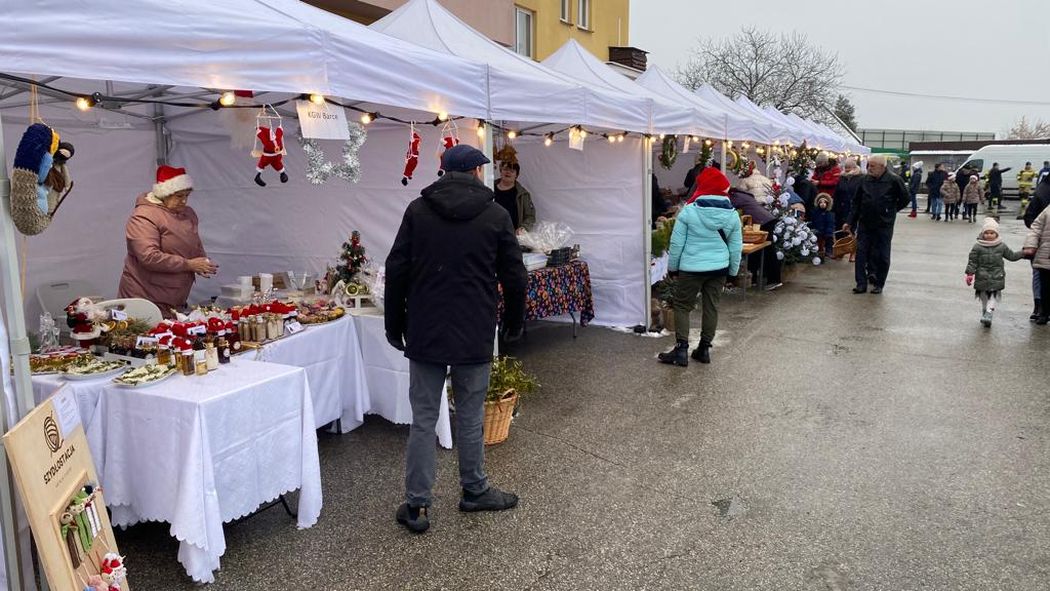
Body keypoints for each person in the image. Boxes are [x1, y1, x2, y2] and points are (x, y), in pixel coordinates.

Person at [385, 144, 528, 533]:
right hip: (473, 329)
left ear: (443, 172)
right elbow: (515, 275)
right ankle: (474, 490)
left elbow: (396, 269)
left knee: (423, 418)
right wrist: (515, 321)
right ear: (479, 173)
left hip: (426, 329)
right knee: (468, 414)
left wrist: (393, 323)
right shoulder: (496, 215)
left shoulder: (418, 211)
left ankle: (417, 506)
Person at [659, 167, 742, 366]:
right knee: (711, 307)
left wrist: (673, 268)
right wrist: (733, 272)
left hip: (691, 268)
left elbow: (676, 244)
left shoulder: (689, 211)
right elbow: (735, 247)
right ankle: (704, 349)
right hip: (718, 269)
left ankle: (681, 350)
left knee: (682, 306)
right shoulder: (732, 215)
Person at [118, 165, 217, 317]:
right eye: (178, 196)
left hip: (174, 296)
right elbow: (149, 256)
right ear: (164, 193)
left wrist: (202, 261)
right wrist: (189, 264)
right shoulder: (143, 217)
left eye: (187, 195)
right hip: (145, 296)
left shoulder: (188, 213)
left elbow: (194, 241)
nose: (184, 201)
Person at [843, 155, 910, 294]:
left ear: (882, 166)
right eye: (868, 165)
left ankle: (879, 283)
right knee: (861, 253)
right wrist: (850, 221)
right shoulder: (864, 180)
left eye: (872, 166)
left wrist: (891, 211)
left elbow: (905, 198)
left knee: (883, 255)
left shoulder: (894, 180)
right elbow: (856, 203)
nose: (869, 168)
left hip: (884, 224)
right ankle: (861, 283)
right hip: (865, 223)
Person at [965, 218, 1024, 327]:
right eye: (986, 233)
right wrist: (970, 274)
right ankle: (985, 312)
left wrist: (1024, 253)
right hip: (982, 276)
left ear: (996, 234)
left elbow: (1012, 256)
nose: (989, 235)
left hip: (996, 276)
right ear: (982, 234)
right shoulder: (977, 246)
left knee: (993, 295)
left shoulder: (1001, 246)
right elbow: (972, 261)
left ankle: (989, 313)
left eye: (992, 233)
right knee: (983, 297)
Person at [728, 181, 781, 289]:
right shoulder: (742, 194)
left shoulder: (733, 197)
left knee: (768, 251)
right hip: (766, 219)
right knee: (756, 252)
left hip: (762, 221)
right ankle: (753, 279)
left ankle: (774, 280)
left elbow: (729, 210)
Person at [1023, 174, 1050, 320]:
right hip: (1042, 245)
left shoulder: (1041, 190)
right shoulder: (1043, 192)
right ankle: (1041, 308)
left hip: (1040, 244)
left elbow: (1029, 218)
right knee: (1040, 276)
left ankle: (1041, 308)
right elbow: (1032, 220)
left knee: (1040, 277)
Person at [493, 161, 536, 233]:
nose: (508, 172)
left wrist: (524, 228)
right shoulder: (489, 187)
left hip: (512, 236)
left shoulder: (523, 194)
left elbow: (530, 216)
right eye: (505, 169)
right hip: (491, 234)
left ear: (516, 175)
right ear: (500, 171)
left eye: (512, 171)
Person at [833, 158, 864, 230]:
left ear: (854, 167)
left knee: (850, 231)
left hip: (853, 208)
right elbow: (837, 193)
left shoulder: (860, 178)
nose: (847, 169)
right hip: (840, 209)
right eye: (846, 167)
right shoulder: (842, 178)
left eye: (849, 167)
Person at [811, 193, 836, 258]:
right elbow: (813, 222)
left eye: (825, 202)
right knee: (817, 239)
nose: (822, 204)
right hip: (817, 230)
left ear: (827, 204)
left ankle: (829, 251)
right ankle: (817, 251)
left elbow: (830, 223)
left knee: (829, 239)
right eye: (821, 202)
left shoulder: (830, 213)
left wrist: (829, 231)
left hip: (827, 231)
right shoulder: (815, 212)